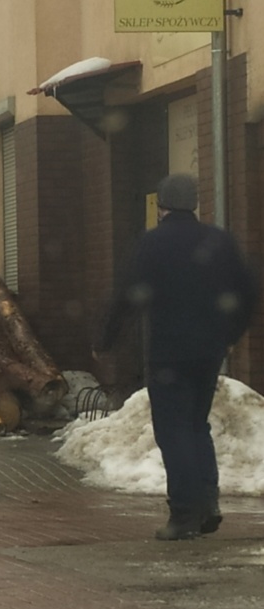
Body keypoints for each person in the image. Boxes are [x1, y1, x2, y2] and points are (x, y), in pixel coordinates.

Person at [95, 173, 258, 540]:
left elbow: (126, 294)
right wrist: (229, 335)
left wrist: (106, 338)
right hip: (209, 350)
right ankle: (207, 503)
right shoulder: (219, 241)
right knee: (198, 425)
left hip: (169, 351)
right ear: (194, 204)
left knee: (174, 430)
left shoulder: (152, 244)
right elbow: (247, 290)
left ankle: (184, 514)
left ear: (162, 206)